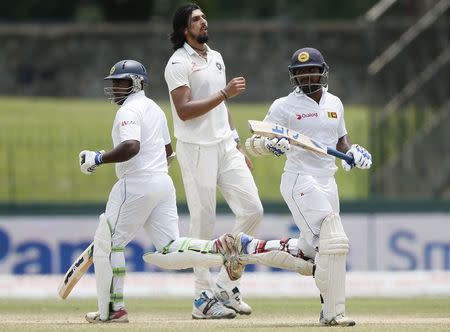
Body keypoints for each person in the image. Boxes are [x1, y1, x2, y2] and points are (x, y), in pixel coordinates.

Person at [79, 59, 244, 323]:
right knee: (170, 248)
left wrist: (98, 158)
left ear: (138, 83)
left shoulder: (128, 111)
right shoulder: (155, 108)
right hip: (163, 183)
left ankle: (112, 310)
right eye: (114, 83)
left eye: (122, 82)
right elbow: (168, 152)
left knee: (109, 243)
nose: (116, 88)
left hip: (135, 183)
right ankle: (220, 249)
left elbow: (131, 147)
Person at [244, 47, 372, 326]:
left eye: (311, 70)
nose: (306, 75)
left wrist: (353, 153)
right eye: (300, 72)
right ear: (294, 77)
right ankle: (332, 313)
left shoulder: (335, 103)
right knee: (334, 240)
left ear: (322, 71)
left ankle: (250, 248)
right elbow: (252, 143)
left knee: (313, 254)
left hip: (328, 181)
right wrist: (269, 144)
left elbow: (340, 142)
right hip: (300, 178)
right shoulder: (283, 106)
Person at [164, 3, 264, 319]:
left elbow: (221, 110)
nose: (203, 21)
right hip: (195, 150)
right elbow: (184, 110)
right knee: (202, 223)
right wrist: (224, 94)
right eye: (196, 19)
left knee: (252, 209)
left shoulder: (216, 57)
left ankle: (224, 286)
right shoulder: (177, 63)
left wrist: (236, 143)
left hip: (224, 146)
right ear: (184, 29)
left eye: (204, 17)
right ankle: (201, 299)